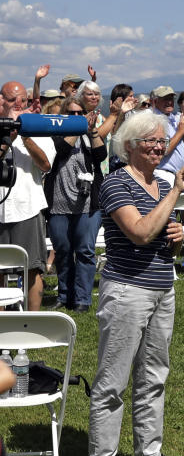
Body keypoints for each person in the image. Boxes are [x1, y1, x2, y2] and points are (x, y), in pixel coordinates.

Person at [88, 111, 184, 456]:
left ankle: (149, 455)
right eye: (151, 140)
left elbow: (165, 239)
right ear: (129, 145)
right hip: (127, 292)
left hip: (163, 288)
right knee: (113, 380)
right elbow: (141, 233)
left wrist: (178, 238)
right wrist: (177, 193)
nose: (159, 146)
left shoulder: (162, 186)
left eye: (162, 141)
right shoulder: (116, 184)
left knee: (154, 375)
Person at [44, 96, 108, 313]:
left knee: (85, 251)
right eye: (71, 114)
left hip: (88, 203)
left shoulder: (90, 133)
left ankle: (82, 298)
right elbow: (59, 152)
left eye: (80, 113)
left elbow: (101, 154)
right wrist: (76, 129)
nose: (77, 117)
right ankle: (64, 294)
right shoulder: (54, 134)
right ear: (64, 115)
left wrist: (91, 131)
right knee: (62, 250)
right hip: (58, 202)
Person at [0, 81, 55, 310]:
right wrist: (7, 139)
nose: (17, 105)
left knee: (32, 268)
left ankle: (33, 322)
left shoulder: (37, 129)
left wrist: (25, 137)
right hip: (1, 208)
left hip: (27, 208)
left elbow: (45, 165)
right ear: (1, 101)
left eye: (21, 100)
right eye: (11, 100)